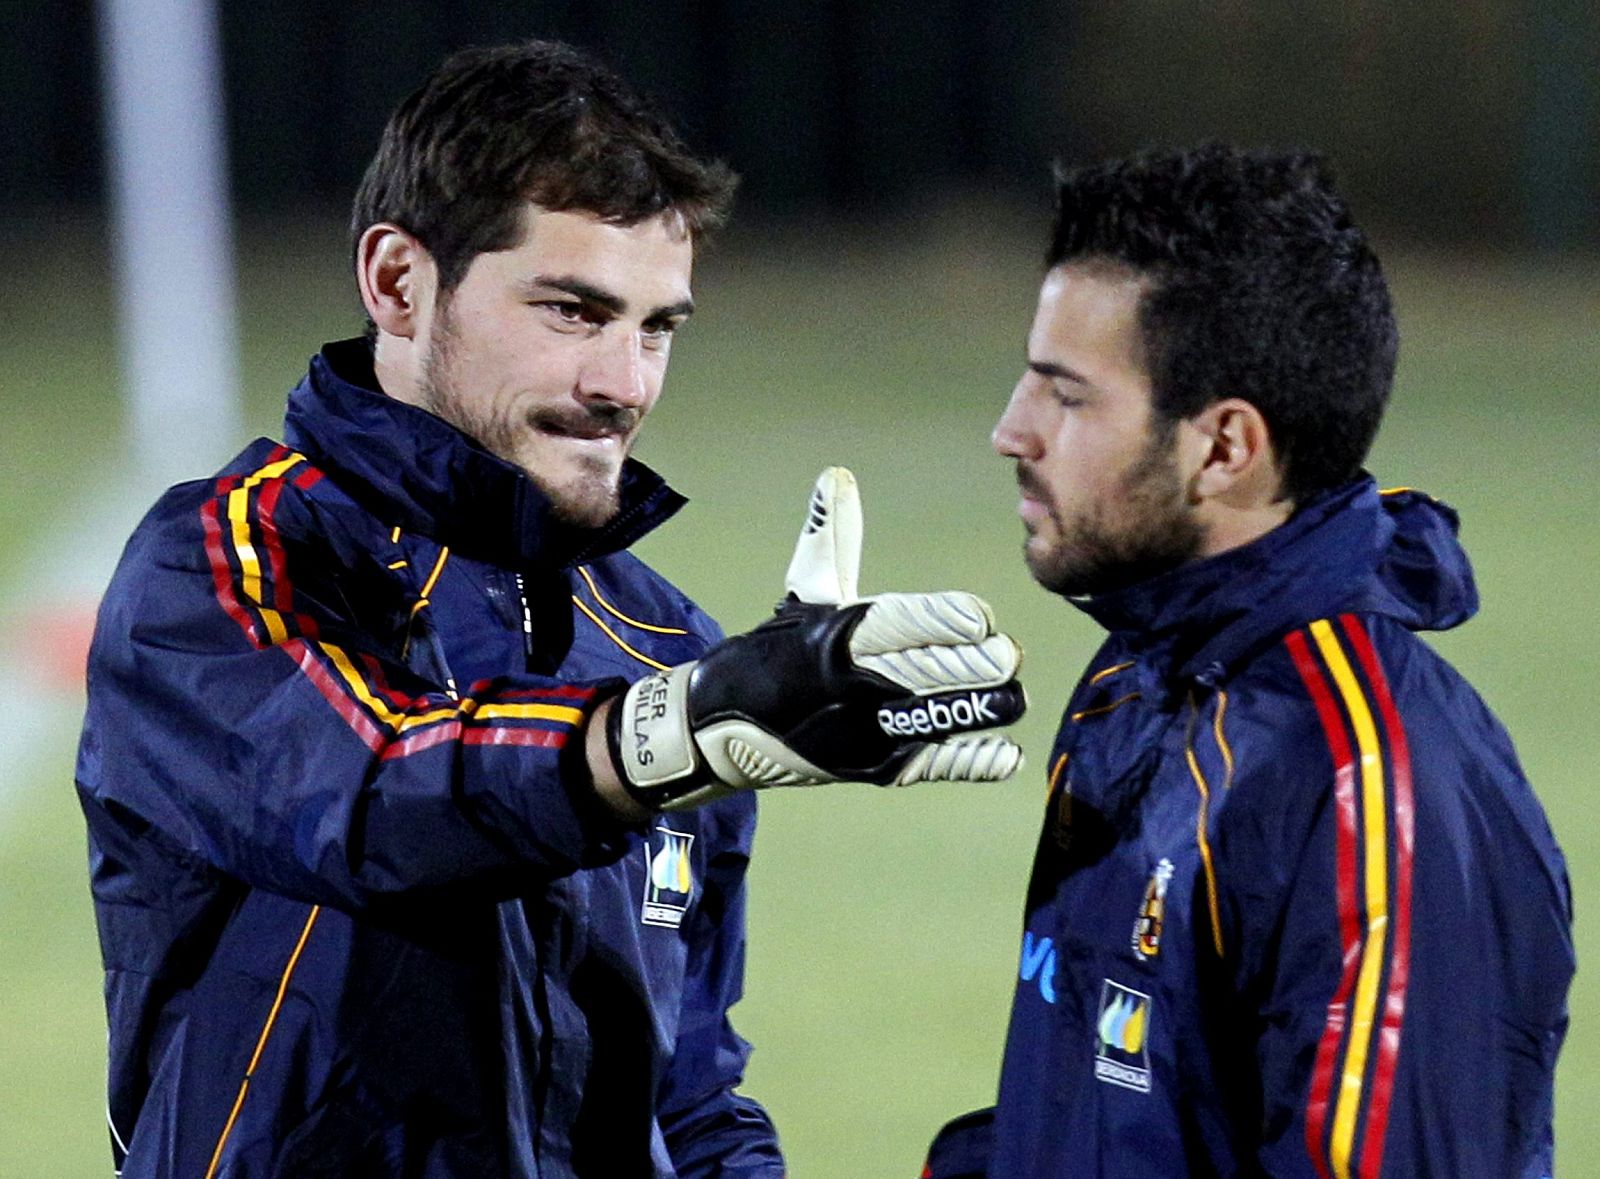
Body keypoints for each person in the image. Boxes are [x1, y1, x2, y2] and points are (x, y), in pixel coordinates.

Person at [76, 41, 1027, 1178]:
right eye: (573, 312)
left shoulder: (671, 647)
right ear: (398, 284)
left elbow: (687, 1093)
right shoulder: (228, 559)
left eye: (657, 327)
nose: (624, 382)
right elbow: (371, 789)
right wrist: (662, 736)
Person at [923, 145, 1574, 1177]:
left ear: (1223, 448)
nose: (1012, 431)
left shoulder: (1367, 791)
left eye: (1066, 396)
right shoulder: (1135, 684)